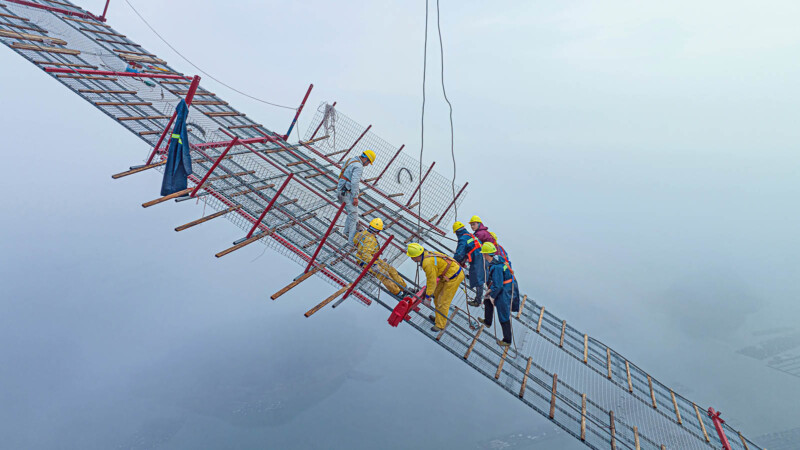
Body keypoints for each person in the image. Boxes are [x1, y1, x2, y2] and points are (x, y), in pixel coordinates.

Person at [406, 243, 465, 332]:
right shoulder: (427, 254)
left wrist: (428, 297)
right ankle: (439, 318)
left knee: (443, 301)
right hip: (446, 275)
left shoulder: (427, 263)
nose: (412, 259)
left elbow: (432, 281)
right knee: (437, 296)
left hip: (454, 277)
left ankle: (440, 325)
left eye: (412, 257)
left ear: (417, 256)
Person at [354, 218, 407, 297]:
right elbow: (366, 254)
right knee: (384, 274)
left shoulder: (363, 233)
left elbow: (356, 240)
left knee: (391, 270)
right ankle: (399, 293)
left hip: (373, 259)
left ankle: (405, 288)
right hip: (366, 262)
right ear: (378, 231)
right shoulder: (370, 240)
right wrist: (374, 265)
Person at [337, 150, 376, 244]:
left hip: (341, 190)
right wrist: (355, 197)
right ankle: (351, 241)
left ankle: (346, 232)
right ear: (366, 159)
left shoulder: (351, 160)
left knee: (352, 213)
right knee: (354, 216)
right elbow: (355, 182)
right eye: (368, 162)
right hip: (346, 193)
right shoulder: (359, 166)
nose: (367, 165)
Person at [479, 242, 513, 347]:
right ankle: (488, 321)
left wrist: (493, 296)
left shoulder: (496, 267)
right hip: (502, 287)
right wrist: (490, 291)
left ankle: (507, 340)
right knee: (487, 301)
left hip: (503, 291)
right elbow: (497, 282)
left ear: (486, 254)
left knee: (503, 315)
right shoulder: (496, 260)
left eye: (483, 253)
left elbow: (499, 285)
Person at [453, 221, 486, 307]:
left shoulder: (463, 239)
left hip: (477, 258)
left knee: (479, 280)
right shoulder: (470, 235)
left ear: (457, 232)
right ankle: (478, 299)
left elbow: (459, 254)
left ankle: (478, 301)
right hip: (481, 256)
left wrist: (452, 262)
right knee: (478, 277)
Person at [490, 231, 521, 313]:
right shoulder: (500, 248)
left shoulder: (495, 251)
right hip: (508, 274)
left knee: (502, 303)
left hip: (504, 278)